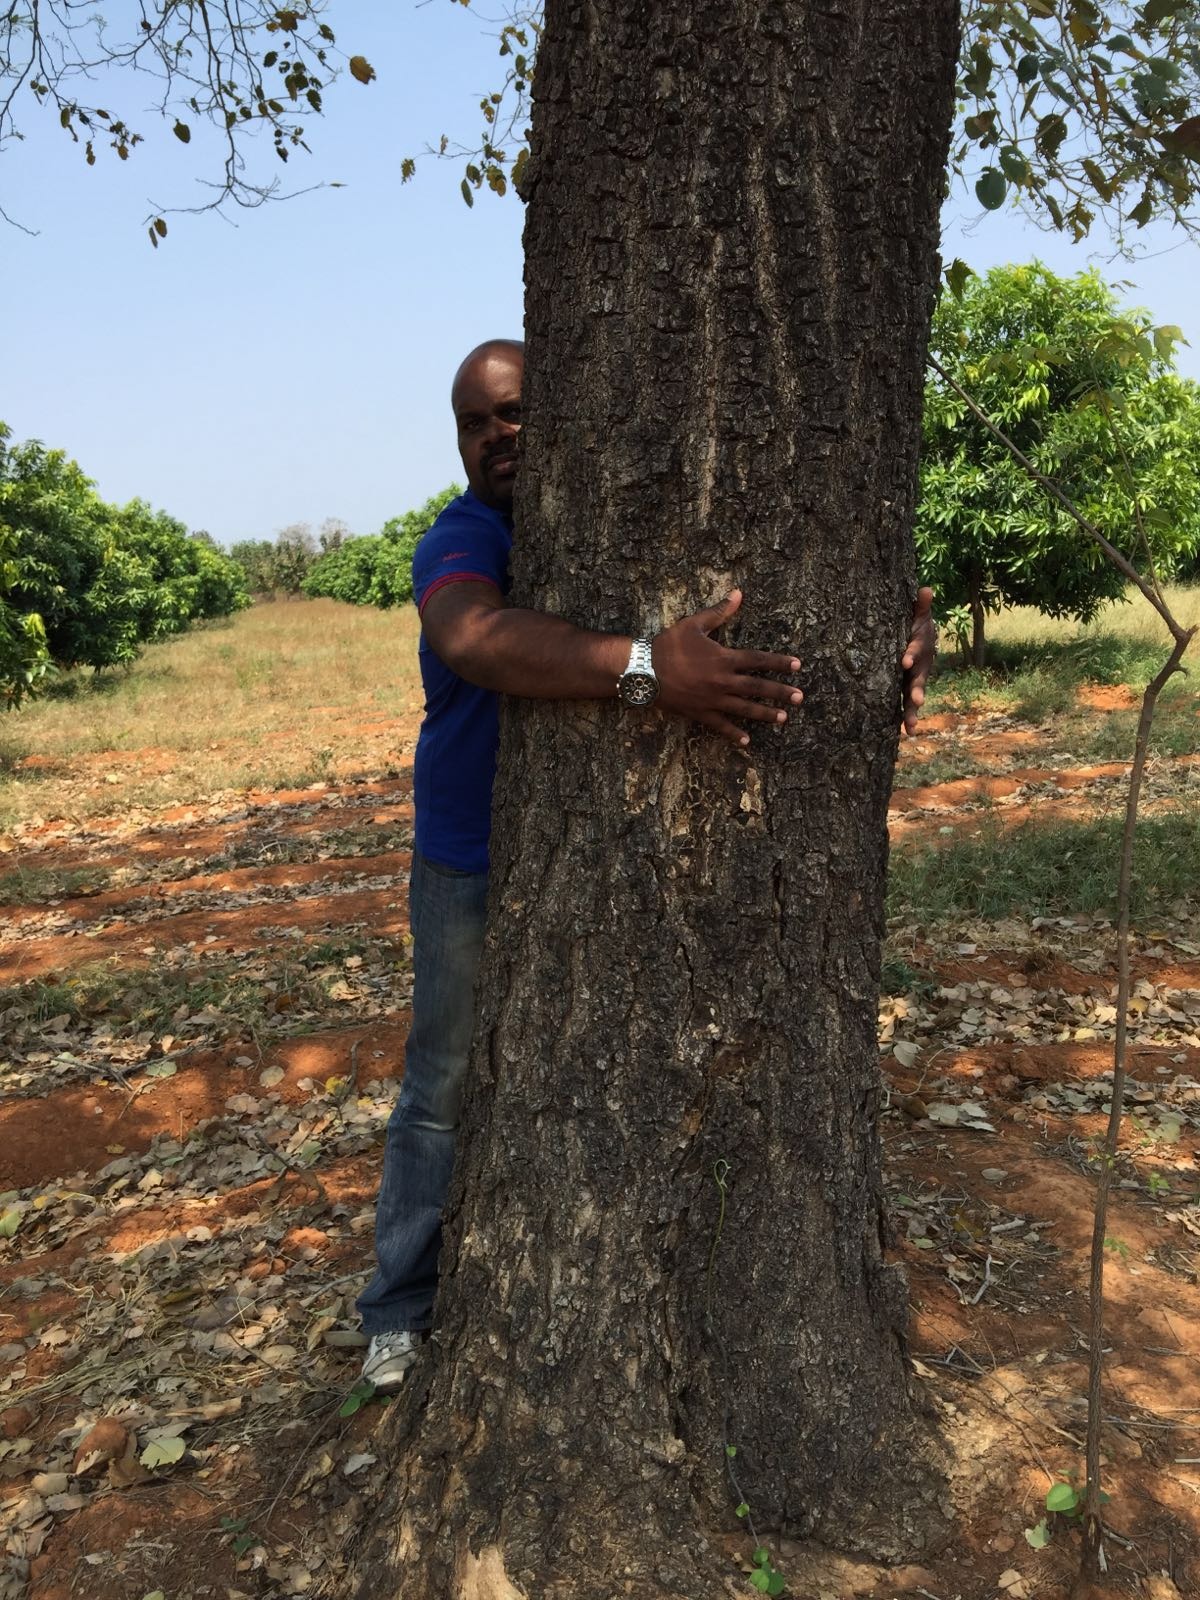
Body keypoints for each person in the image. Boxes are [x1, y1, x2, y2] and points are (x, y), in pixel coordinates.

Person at [355, 338, 936, 1389]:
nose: (499, 438)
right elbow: (474, 640)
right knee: (441, 1082)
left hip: (604, 863)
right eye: (476, 424)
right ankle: (398, 1304)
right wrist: (641, 668)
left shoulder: (633, 524)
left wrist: (892, 626)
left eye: (517, 412)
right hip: (467, 858)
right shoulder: (462, 536)